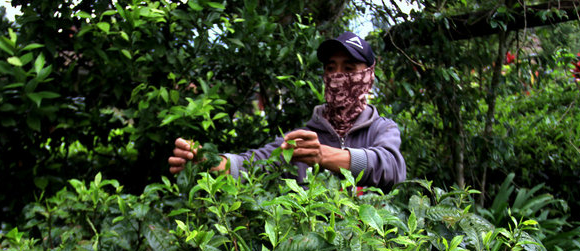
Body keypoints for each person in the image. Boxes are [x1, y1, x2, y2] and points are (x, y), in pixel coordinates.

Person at [168, 32, 406, 191]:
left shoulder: (381, 128)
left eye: (349, 67)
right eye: (331, 68)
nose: (337, 76)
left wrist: (323, 156)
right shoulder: (305, 137)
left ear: (368, 76)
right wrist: (206, 162)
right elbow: (255, 163)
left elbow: (391, 166)